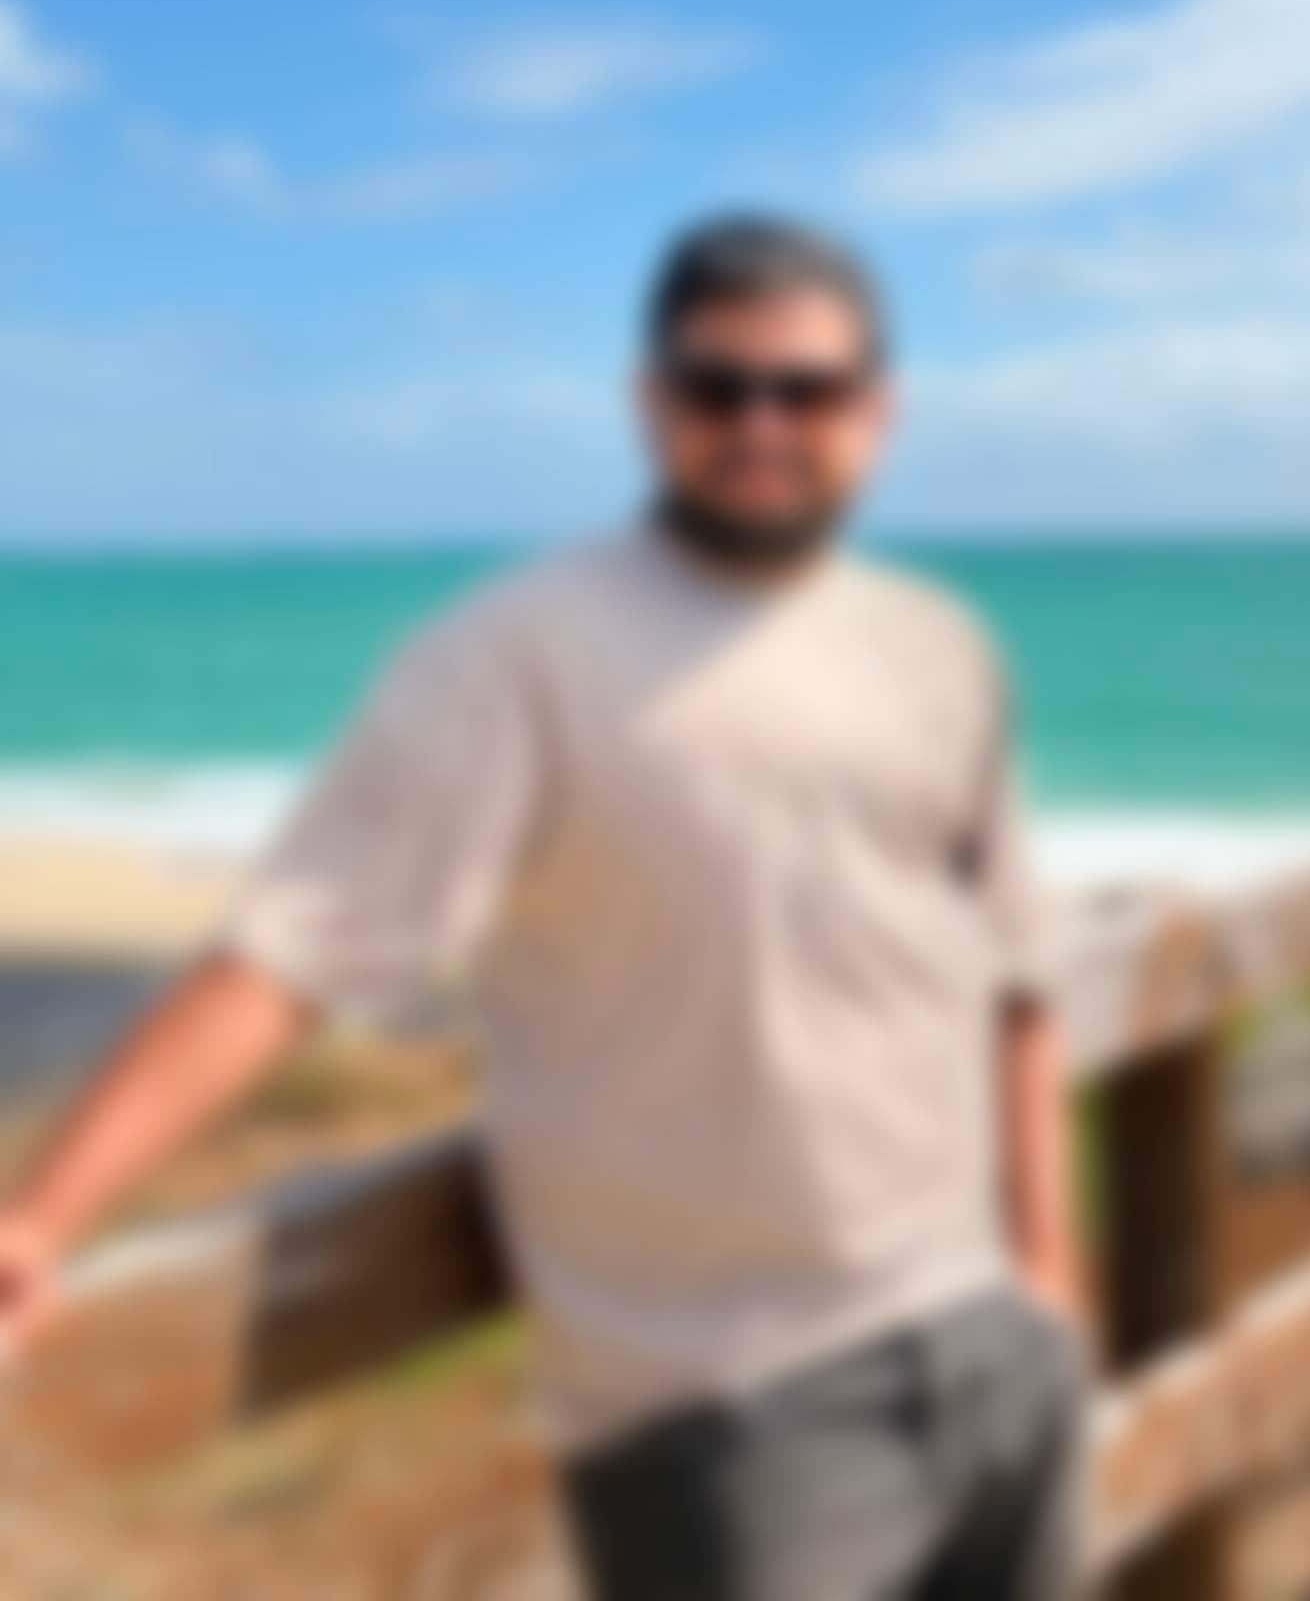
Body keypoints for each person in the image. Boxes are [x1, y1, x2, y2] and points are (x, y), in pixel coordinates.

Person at [0, 214, 1086, 1600]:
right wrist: (41, 1219)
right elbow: (293, 950)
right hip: (723, 1408)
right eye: (717, 387)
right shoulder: (511, 657)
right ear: (649, 401)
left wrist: (1046, 1278)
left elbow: (1015, 972)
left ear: (877, 409)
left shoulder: (941, 647)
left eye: (806, 389)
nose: (761, 424)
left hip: (987, 1342)